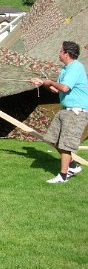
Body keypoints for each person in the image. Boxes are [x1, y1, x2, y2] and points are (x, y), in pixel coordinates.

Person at [31, 41, 88, 183]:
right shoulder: (65, 69)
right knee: (52, 139)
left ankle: (63, 176)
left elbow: (65, 88)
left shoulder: (76, 67)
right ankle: (73, 166)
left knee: (66, 144)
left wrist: (50, 82)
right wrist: (42, 83)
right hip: (65, 110)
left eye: (60, 51)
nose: (59, 53)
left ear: (66, 54)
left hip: (76, 112)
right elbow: (57, 89)